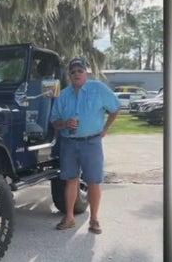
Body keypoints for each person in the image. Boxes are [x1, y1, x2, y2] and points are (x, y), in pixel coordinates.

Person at [50, 57, 120, 234]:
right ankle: (70, 218)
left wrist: (105, 129)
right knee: (71, 180)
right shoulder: (63, 94)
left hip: (92, 143)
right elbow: (54, 122)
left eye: (80, 71)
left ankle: (94, 219)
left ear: (86, 73)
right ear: (69, 75)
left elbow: (115, 108)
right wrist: (65, 123)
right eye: (73, 72)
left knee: (93, 182)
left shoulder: (98, 89)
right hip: (69, 144)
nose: (76, 74)